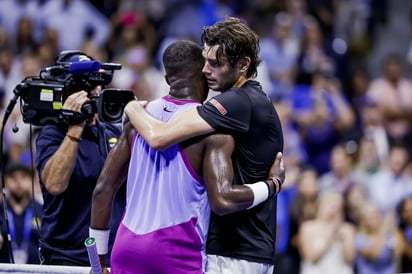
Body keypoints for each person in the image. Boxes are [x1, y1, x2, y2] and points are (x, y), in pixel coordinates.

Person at [90, 39, 285, 274]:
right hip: (177, 254)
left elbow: (103, 188)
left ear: (166, 79)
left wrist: (97, 258)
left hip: (126, 249)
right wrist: (273, 184)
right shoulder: (213, 131)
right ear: (204, 74)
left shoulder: (138, 119)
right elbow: (222, 199)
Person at [35, 51, 126, 266]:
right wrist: (75, 127)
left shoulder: (114, 133)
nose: (94, 92)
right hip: (65, 258)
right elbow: (55, 184)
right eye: (85, 87)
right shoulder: (53, 132)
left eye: (97, 85)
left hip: (112, 258)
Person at [0, 161, 43, 264]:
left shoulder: (41, 210)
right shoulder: (0, 209)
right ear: (5, 181)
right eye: (13, 177)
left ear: (31, 180)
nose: (18, 182)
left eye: (23, 177)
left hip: (35, 271)